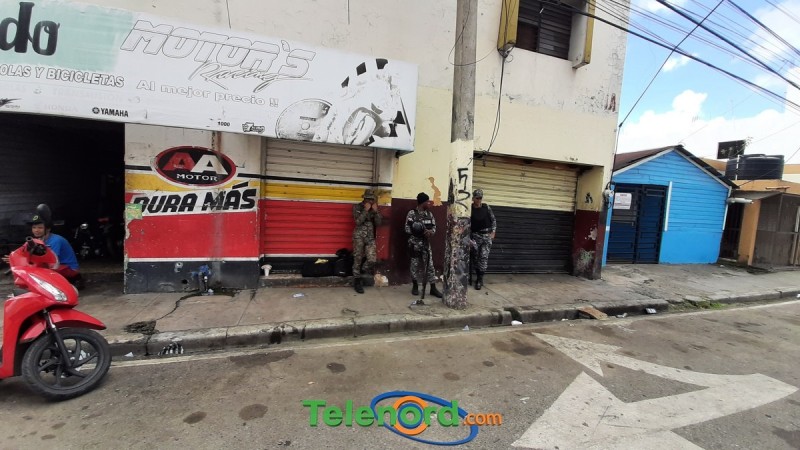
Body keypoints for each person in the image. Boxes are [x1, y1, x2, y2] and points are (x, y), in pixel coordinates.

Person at [2, 213, 83, 288]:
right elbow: (22, 252)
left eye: (40, 227)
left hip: (68, 269)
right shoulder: (35, 240)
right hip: (55, 267)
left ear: (48, 229)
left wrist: (26, 260)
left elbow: (51, 261)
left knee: (38, 269)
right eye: (34, 227)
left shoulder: (56, 240)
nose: (36, 230)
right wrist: (14, 258)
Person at [405, 192, 442, 298]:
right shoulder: (412, 214)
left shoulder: (429, 214)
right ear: (422, 202)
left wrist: (430, 232)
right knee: (414, 265)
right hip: (414, 244)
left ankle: (433, 288)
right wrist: (418, 231)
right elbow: (407, 228)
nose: (429, 203)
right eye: (427, 201)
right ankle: (415, 285)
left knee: (430, 266)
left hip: (426, 244)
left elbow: (434, 227)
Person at [352, 189, 382, 294]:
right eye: (369, 199)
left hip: (370, 237)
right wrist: (365, 210)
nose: (370, 201)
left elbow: (379, 223)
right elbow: (358, 221)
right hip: (359, 236)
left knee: (372, 259)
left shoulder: (374, 208)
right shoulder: (357, 207)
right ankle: (357, 280)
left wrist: (376, 211)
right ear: (364, 199)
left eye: (372, 199)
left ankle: (362, 270)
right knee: (357, 258)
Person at [470, 189, 496, 290]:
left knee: (483, 258)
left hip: (486, 236)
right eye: (477, 198)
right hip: (476, 236)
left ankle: (479, 279)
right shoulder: (470, 209)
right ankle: (477, 275)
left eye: (480, 198)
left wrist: (493, 232)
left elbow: (493, 220)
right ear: (473, 198)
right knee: (476, 257)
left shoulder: (486, 207)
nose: (479, 200)